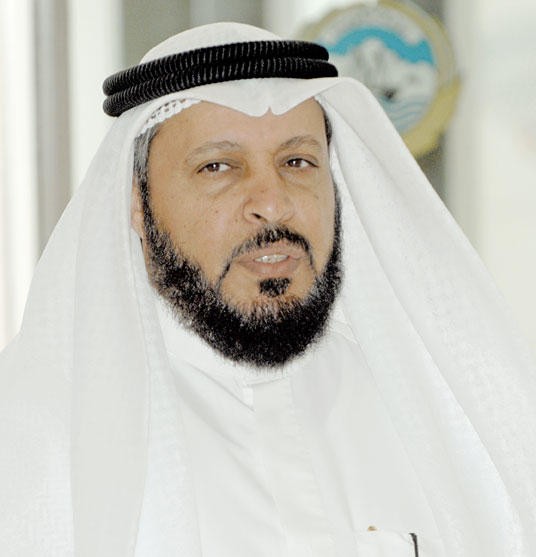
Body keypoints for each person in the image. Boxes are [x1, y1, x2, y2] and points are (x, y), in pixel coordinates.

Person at [1, 22, 535, 557]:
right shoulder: (36, 432)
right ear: (136, 204)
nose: (273, 203)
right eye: (218, 166)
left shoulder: (438, 411)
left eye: (297, 162)